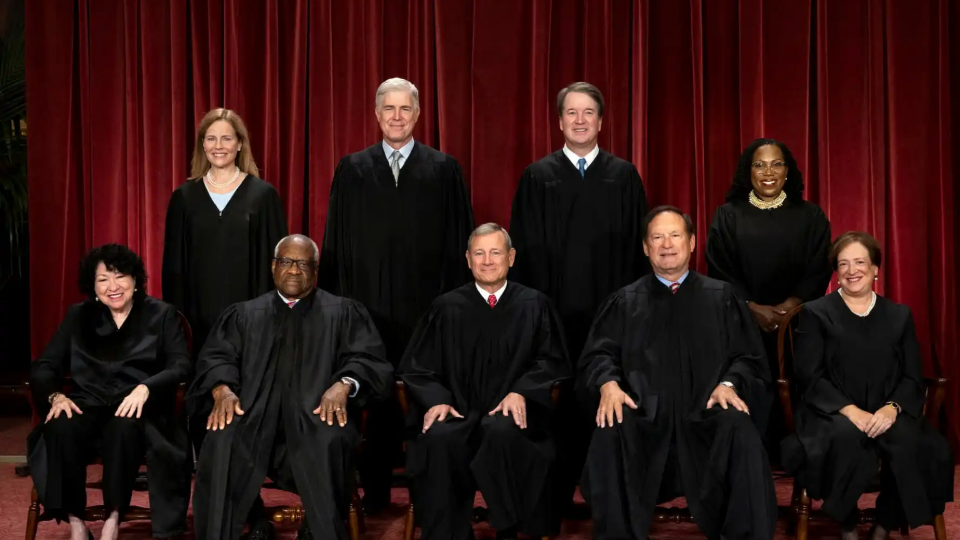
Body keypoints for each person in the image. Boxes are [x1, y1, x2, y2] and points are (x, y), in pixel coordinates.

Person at [319, 77, 475, 510]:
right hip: (366, 308)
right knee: (374, 395)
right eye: (388, 108)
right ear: (376, 114)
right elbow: (335, 242)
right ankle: (375, 492)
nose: (397, 116)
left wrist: (454, 306)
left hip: (427, 307)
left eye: (405, 109)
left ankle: (428, 494)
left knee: (426, 396)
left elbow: (459, 243)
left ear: (418, 114)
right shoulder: (352, 169)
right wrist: (336, 308)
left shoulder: (443, 169)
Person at [578, 206, 777, 540]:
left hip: (705, 412)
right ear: (645, 247)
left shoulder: (722, 297)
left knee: (738, 426)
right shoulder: (625, 301)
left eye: (675, 235)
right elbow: (598, 353)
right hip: (642, 416)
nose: (666, 244)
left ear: (692, 242)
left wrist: (729, 384)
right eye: (657, 237)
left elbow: (748, 356)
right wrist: (608, 384)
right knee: (610, 428)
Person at [190, 234, 394, 540]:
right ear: (273, 267)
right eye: (286, 262)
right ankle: (253, 522)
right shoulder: (244, 314)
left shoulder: (343, 312)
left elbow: (368, 358)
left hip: (315, 417)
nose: (294, 270)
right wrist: (222, 389)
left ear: (315, 270)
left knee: (331, 438)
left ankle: (318, 527)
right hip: (254, 418)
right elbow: (217, 357)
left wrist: (344, 383)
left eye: (302, 263)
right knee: (221, 437)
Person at [509, 82, 648, 510]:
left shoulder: (623, 176)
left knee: (606, 395)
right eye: (572, 112)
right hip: (554, 315)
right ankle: (552, 494)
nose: (581, 120)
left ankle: (606, 492)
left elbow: (638, 251)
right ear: (560, 120)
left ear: (602, 121)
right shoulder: (538, 177)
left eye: (589, 112)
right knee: (556, 402)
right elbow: (525, 253)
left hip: (610, 316)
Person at [400, 223, 571, 540]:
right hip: (458, 412)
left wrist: (523, 391)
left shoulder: (535, 305)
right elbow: (417, 366)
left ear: (511, 257)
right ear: (467, 259)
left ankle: (509, 530)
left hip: (514, 416)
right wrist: (437, 399)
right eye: (479, 253)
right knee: (439, 439)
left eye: (495, 252)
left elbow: (553, 361)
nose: (488, 260)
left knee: (504, 432)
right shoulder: (446, 308)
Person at [781, 232, 954, 540]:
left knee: (914, 444)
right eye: (843, 264)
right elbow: (809, 375)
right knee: (844, 438)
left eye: (860, 262)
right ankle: (847, 524)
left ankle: (883, 524)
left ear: (876, 269)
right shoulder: (816, 313)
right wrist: (851, 411)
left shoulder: (899, 316)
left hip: (888, 408)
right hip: (832, 412)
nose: (852, 270)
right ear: (836, 273)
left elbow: (913, 376)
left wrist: (892, 408)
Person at [28, 244, 193, 540]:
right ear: (93, 286)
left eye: (120, 277)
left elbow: (181, 364)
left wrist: (147, 387)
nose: (113, 287)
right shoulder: (78, 316)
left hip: (136, 406)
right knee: (60, 426)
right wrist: (55, 395)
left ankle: (113, 518)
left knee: (123, 428)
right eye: (103, 279)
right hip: (87, 403)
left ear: (135, 279)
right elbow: (45, 364)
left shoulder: (161, 314)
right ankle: (77, 522)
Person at [705, 138, 831, 457]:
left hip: (799, 324)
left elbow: (819, 266)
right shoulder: (727, 216)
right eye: (759, 165)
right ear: (749, 172)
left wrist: (791, 306)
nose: (768, 172)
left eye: (776, 164)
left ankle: (798, 454)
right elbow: (719, 269)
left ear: (787, 171)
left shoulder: (811, 216)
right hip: (742, 321)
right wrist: (751, 307)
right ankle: (749, 454)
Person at [162, 106, 288, 395]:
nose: (218, 146)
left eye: (226, 139)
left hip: (252, 316)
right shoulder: (184, 197)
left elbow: (278, 265)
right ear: (202, 144)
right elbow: (173, 267)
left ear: (240, 143)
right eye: (211, 138)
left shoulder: (263, 195)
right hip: (198, 316)